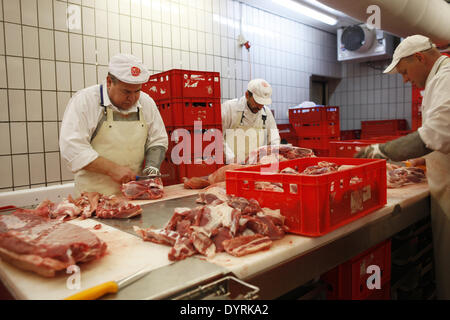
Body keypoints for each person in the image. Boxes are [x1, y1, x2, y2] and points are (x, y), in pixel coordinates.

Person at [355, 35, 450, 299]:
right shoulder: (438, 79)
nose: (406, 80)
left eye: (405, 72)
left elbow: (438, 133)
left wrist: (381, 151)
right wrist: (423, 159)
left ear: (420, 58)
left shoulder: (446, 78)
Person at [60, 53, 168, 197]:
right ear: (109, 82)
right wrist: (112, 169)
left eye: (137, 91)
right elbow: (72, 147)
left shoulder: (146, 102)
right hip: (93, 200)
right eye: (126, 91)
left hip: (134, 196)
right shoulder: (85, 101)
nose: (132, 98)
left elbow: (158, 139)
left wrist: (152, 168)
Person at [221, 79, 280, 164]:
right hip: (232, 166)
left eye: (263, 103)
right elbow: (218, 136)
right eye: (257, 101)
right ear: (247, 95)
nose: (260, 107)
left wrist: (273, 155)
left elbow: (274, 138)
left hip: (256, 165)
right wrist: (231, 158)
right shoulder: (229, 108)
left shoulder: (266, 113)